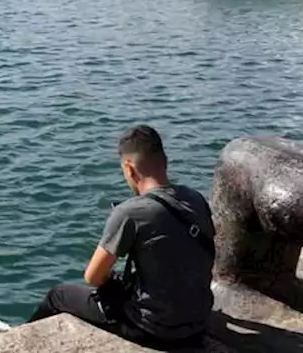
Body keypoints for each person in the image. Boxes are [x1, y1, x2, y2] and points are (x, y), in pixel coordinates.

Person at [29, 125, 214, 349]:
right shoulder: (195, 199)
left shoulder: (130, 212)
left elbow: (93, 277)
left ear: (129, 169)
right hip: (197, 324)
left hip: (154, 329)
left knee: (57, 296)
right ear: (164, 161)